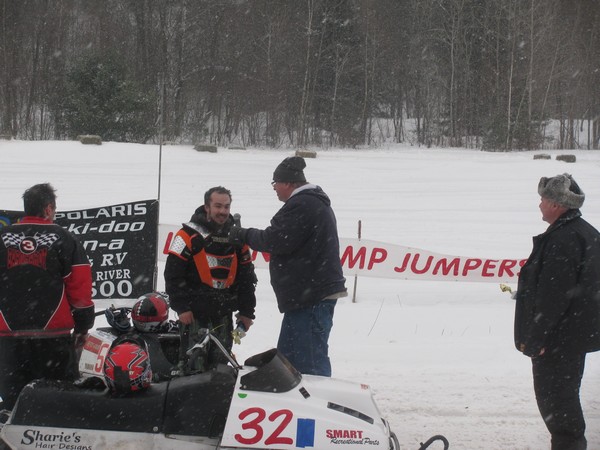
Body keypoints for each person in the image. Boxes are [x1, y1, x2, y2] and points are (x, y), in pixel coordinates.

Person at [228, 156, 347, 377]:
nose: (274, 188)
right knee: (289, 364)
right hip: (306, 297)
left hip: (311, 297)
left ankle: (317, 404)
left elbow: (276, 240)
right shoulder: (310, 203)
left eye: (275, 183)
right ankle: (297, 405)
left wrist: (243, 234)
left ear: (289, 183)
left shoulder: (303, 204)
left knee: (308, 363)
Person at [514, 173, 600, 450]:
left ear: (556, 204)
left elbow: (553, 299)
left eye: (542, 199)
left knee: (560, 411)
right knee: (565, 403)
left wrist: (537, 340)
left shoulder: (563, 239)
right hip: (572, 339)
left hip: (557, 343)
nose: (539, 205)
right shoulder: (585, 232)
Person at [0, 183, 95, 410]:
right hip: (53, 336)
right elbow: (80, 285)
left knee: (14, 405)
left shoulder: (2, 237)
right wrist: (83, 326)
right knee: (59, 403)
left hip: (8, 337)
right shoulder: (64, 238)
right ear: (49, 208)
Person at [164, 186, 256, 373]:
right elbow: (172, 274)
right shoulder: (187, 235)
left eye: (226, 207)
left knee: (220, 368)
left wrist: (247, 312)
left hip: (224, 313)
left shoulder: (238, 238)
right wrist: (181, 307)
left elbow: (247, 278)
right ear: (207, 207)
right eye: (218, 206)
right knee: (192, 366)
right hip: (194, 316)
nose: (223, 211)